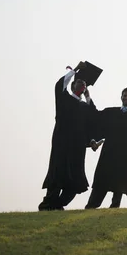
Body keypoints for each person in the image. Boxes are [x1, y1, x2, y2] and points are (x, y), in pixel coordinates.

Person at [39, 62, 98, 211]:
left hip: (77, 149)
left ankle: (58, 205)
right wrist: (75, 70)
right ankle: (48, 204)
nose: (82, 84)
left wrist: (91, 141)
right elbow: (59, 85)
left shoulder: (85, 107)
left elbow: (92, 122)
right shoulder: (64, 99)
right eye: (78, 81)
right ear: (72, 86)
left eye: (84, 83)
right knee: (57, 176)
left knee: (75, 181)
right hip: (62, 145)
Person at [85, 87, 127, 209]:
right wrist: (88, 97)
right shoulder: (110, 112)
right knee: (102, 181)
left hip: (125, 153)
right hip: (109, 152)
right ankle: (91, 206)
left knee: (120, 184)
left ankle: (114, 208)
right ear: (121, 97)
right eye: (125, 95)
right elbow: (95, 116)